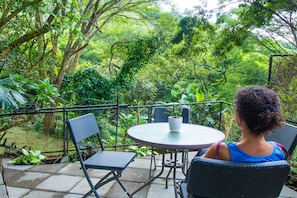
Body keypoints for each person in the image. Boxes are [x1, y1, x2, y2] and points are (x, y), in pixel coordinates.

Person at [177, 85, 287, 188]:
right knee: (203, 151)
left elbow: (195, 174)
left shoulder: (220, 150)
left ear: (239, 118)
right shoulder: (280, 152)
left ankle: (181, 183)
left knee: (201, 155)